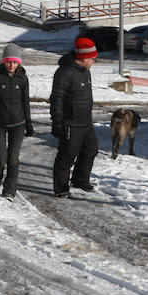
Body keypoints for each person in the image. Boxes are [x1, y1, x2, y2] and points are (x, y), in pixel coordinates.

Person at [0, 43, 34, 198]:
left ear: (19, 63)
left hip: (18, 124)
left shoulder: (22, 78)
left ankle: (9, 191)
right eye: (9, 62)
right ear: (4, 61)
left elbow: (25, 102)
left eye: (15, 62)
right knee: (1, 159)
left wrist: (28, 123)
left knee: (13, 160)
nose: (12, 65)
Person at [50, 36, 100, 198]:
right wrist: (58, 123)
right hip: (70, 123)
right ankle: (61, 187)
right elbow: (56, 98)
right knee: (67, 156)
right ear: (84, 57)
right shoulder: (65, 72)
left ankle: (80, 180)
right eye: (92, 58)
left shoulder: (85, 72)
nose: (94, 61)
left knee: (91, 150)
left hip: (85, 122)